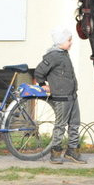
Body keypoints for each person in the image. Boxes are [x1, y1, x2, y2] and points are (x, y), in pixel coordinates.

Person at [35, 26, 85, 164]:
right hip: (61, 97)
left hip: (72, 95)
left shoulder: (64, 54)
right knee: (60, 125)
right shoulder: (53, 56)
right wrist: (42, 84)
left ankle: (72, 151)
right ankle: (55, 153)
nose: (71, 42)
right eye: (69, 40)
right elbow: (39, 71)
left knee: (75, 124)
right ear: (60, 42)